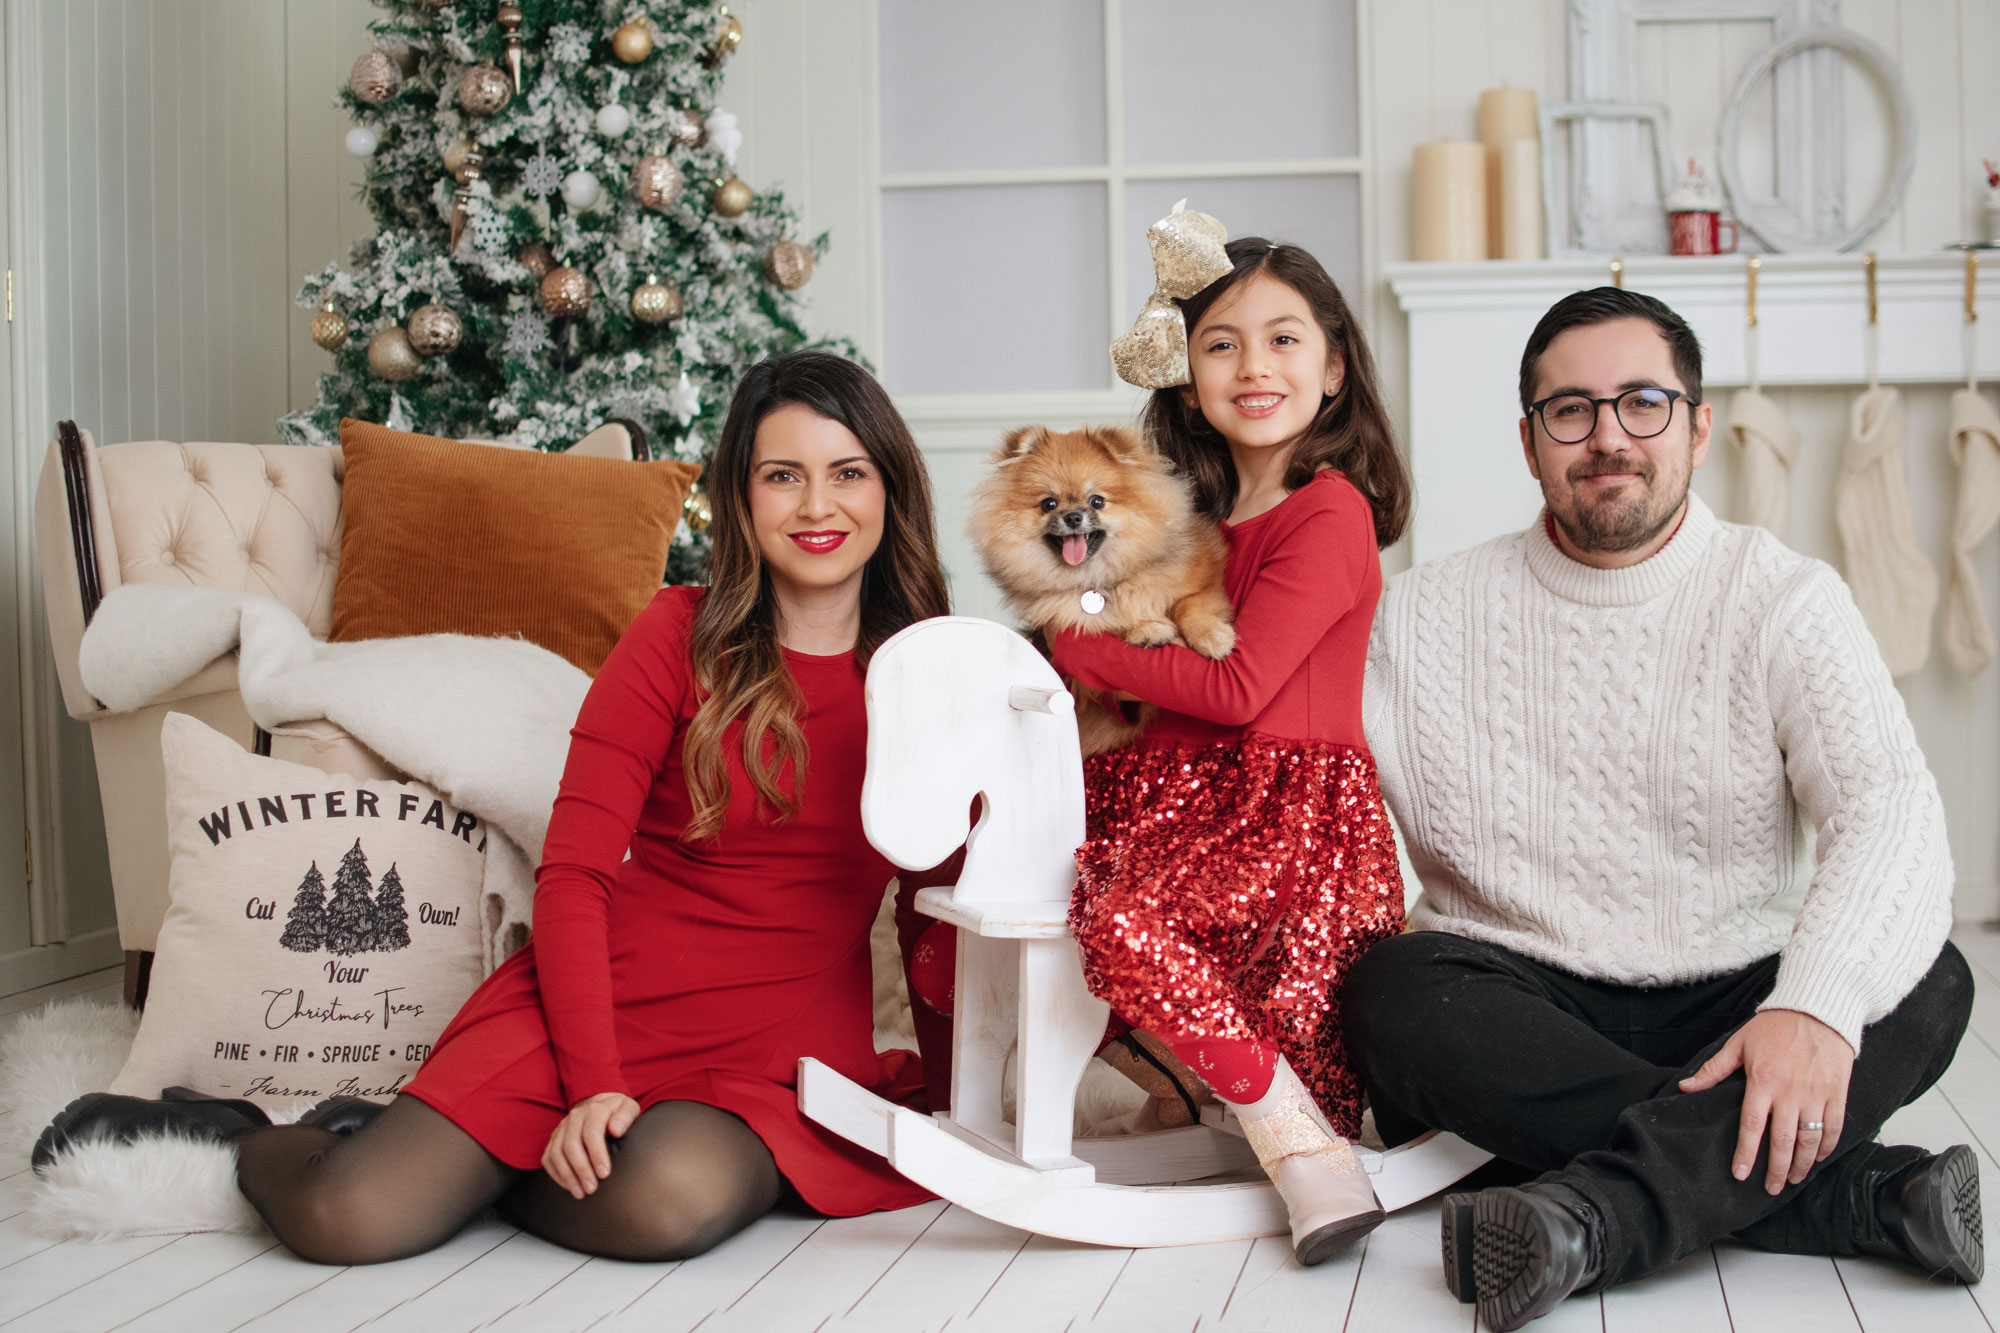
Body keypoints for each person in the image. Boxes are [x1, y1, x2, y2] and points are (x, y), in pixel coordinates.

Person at [33, 351, 957, 1264]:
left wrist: (959, 1097)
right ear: (743, 498)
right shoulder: (676, 634)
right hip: (603, 1001)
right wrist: (591, 1082)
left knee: (663, 1203)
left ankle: (441, 1153)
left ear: (890, 487)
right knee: (348, 1216)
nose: (816, 505)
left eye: (847, 473)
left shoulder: (938, 675)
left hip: (783, 1045)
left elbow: (941, 909)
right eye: (782, 475)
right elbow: (576, 872)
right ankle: (237, 1132)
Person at [1344, 287, 1978, 1331]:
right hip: (1518, 997)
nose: (1608, 436)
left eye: (1642, 402)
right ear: (1527, 442)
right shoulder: (1415, 616)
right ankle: (1855, 1194)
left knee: (1927, 976)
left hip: (1739, 990)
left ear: (1697, 428)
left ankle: (1594, 1218)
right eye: (1571, 410)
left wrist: (1812, 1006)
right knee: (1390, 992)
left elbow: (1887, 809)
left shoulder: (1783, 596)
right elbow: (1300, 784)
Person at [1047, 236, 1413, 1265]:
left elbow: (1240, 685)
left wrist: (1085, 646)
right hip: (1167, 803)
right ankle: (1183, 1079)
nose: (1253, 367)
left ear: (1332, 368)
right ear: (1185, 375)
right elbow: (1095, 603)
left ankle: (1303, 1146)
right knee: (1000, 888)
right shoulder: (1186, 520)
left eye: (1282, 340)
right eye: (1220, 344)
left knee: (1112, 912)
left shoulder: (1328, 510)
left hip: (1287, 829)